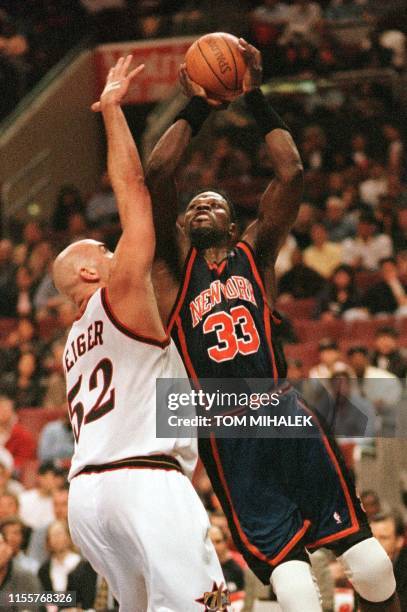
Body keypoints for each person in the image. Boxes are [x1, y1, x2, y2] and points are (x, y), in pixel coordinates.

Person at [145, 39, 401, 611]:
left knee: (373, 565)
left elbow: (291, 170)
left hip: (281, 405)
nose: (201, 207)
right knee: (292, 588)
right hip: (223, 423)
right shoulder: (172, 269)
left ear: (236, 221)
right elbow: (158, 171)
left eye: (214, 203)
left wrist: (252, 95)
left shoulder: (254, 255)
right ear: (184, 225)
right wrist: (201, 104)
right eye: (194, 207)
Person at [53, 56, 224, 611]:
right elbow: (133, 189)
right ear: (87, 274)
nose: (114, 252)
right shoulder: (119, 293)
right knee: (206, 607)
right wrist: (112, 111)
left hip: (87, 498)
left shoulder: (69, 349)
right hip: (143, 481)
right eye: (102, 252)